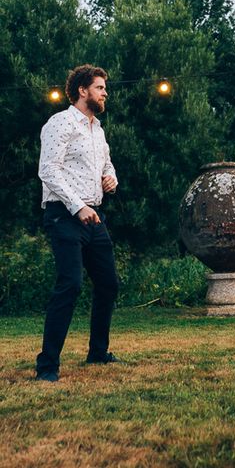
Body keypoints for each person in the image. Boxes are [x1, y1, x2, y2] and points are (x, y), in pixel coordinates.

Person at [35, 65, 120, 382]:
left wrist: (111, 178)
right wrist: (77, 206)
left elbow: (106, 163)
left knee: (109, 284)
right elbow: (48, 171)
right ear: (82, 90)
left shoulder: (97, 129)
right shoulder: (60, 123)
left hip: (94, 216)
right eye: (99, 87)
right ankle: (47, 366)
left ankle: (98, 352)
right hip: (63, 214)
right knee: (70, 284)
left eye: (104, 88)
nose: (104, 92)